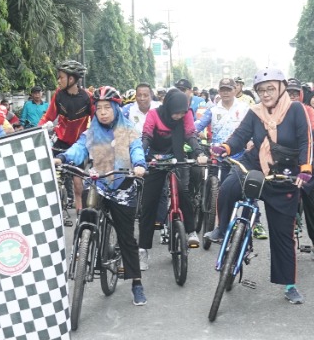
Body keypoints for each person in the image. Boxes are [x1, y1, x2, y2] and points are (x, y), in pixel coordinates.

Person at [208, 67, 312, 305]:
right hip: (254, 165)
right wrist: (225, 148)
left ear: (281, 88)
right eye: (261, 90)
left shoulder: (296, 110)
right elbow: (240, 136)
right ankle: (223, 229)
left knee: (282, 233)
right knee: (229, 187)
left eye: (270, 89)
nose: (265, 94)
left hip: (285, 173)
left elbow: (305, 141)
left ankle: (289, 284)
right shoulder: (255, 112)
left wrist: (305, 168)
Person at [57, 87, 149, 305]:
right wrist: (64, 158)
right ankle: (82, 249)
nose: (103, 112)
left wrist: (139, 164)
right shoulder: (92, 131)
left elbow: (136, 148)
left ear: (116, 108)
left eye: (107, 107)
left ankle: (136, 283)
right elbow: (80, 148)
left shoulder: (128, 129)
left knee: (126, 238)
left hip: (122, 186)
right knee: (86, 215)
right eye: (99, 108)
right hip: (98, 183)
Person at [138, 88, 205, 265]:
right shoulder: (154, 114)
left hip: (177, 158)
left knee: (183, 192)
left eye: (182, 113)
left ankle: (191, 231)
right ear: (168, 107)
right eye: (177, 113)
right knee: (149, 203)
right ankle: (143, 249)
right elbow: (147, 136)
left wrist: (199, 152)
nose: (179, 116)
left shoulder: (186, 114)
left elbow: (190, 134)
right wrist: (139, 157)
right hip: (156, 160)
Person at [40, 60, 94, 219]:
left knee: (78, 185)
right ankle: (51, 213)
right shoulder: (58, 94)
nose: (58, 80)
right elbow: (48, 117)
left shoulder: (88, 97)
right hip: (60, 141)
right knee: (50, 179)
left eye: (61, 77)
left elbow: (95, 122)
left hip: (78, 145)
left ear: (72, 79)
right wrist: (38, 129)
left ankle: (80, 215)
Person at [287, 79, 314, 263]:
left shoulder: (308, 110)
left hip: (307, 161)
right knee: (284, 203)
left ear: (301, 95)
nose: (292, 96)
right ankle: (287, 244)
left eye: (296, 93)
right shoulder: (277, 110)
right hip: (285, 163)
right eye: (289, 93)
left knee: (311, 205)